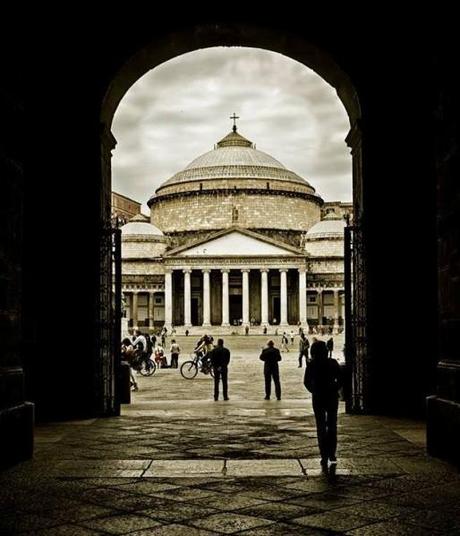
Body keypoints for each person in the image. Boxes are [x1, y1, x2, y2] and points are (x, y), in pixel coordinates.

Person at [304, 340, 342, 472]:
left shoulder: (312, 364)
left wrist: (314, 390)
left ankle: (323, 455)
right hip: (331, 396)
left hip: (318, 397)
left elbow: (306, 382)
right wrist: (335, 388)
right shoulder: (332, 363)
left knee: (320, 426)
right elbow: (341, 379)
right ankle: (332, 453)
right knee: (332, 425)